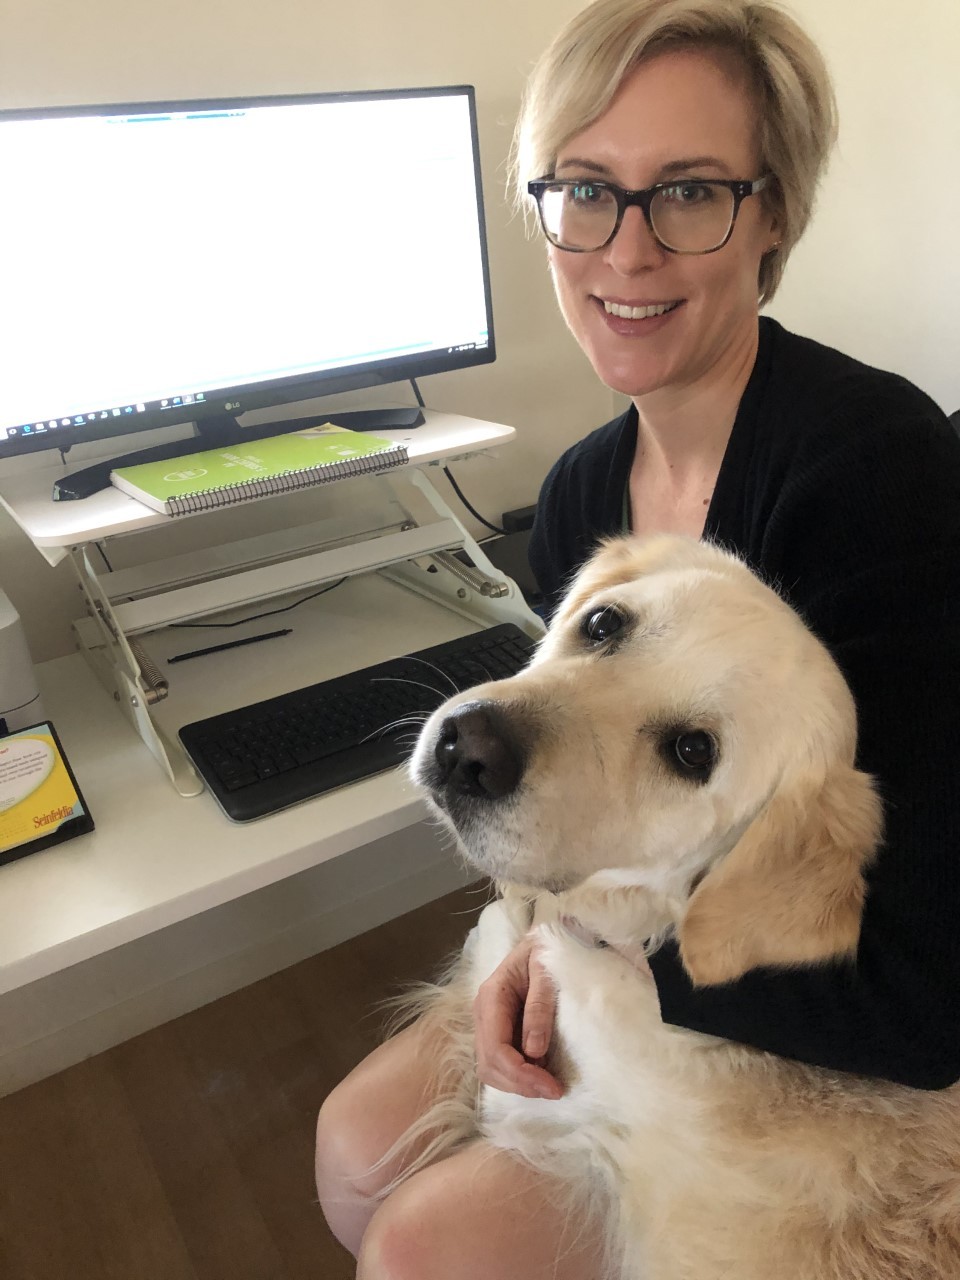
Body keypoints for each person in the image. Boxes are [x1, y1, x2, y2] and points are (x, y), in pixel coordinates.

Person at [315, 1, 960, 1276]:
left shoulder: (880, 478)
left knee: (416, 1246)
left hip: (821, 1048)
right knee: (351, 1145)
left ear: (773, 215)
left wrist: (603, 961)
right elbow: (562, 797)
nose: (627, 249)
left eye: (690, 193)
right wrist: (533, 932)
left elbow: (930, 993)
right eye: (587, 192)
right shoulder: (575, 493)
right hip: (634, 958)